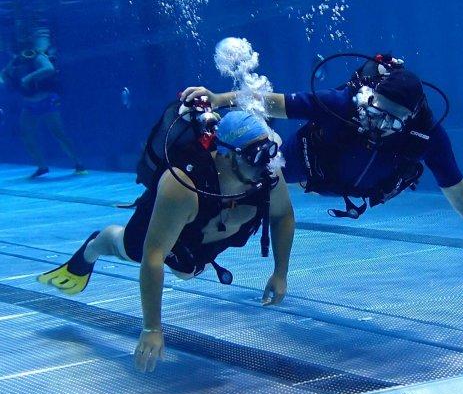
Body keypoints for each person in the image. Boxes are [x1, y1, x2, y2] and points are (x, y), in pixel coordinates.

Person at [181, 52, 463, 285]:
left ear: (410, 118)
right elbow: (273, 103)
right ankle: (199, 239)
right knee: (254, 186)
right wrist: (219, 99)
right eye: (374, 109)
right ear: (370, 97)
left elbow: (460, 194)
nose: (376, 123)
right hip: (310, 164)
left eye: (390, 119)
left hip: (358, 185)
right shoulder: (345, 104)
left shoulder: (427, 138)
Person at [38, 108, 295, 373]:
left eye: (270, 151)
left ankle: (184, 262)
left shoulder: (267, 175)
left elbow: (283, 216)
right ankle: (93, 246)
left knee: (185, 272)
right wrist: (152, 328)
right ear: (226, 154)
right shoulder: (183, 184)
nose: (265, 164)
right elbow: (154, 256)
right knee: (128, 248)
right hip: (167, 221)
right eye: (255, 156)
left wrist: (280, 273)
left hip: (205, 235)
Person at [0, 28, 86, 178]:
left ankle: (78, 163)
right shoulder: (16, 61)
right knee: (26, 134)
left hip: (47, 101)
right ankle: (42, 166)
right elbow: (4, 74)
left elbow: (49, 69)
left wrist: (29, 78)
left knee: (58, 133)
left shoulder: (37, 56)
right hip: (29, 105)